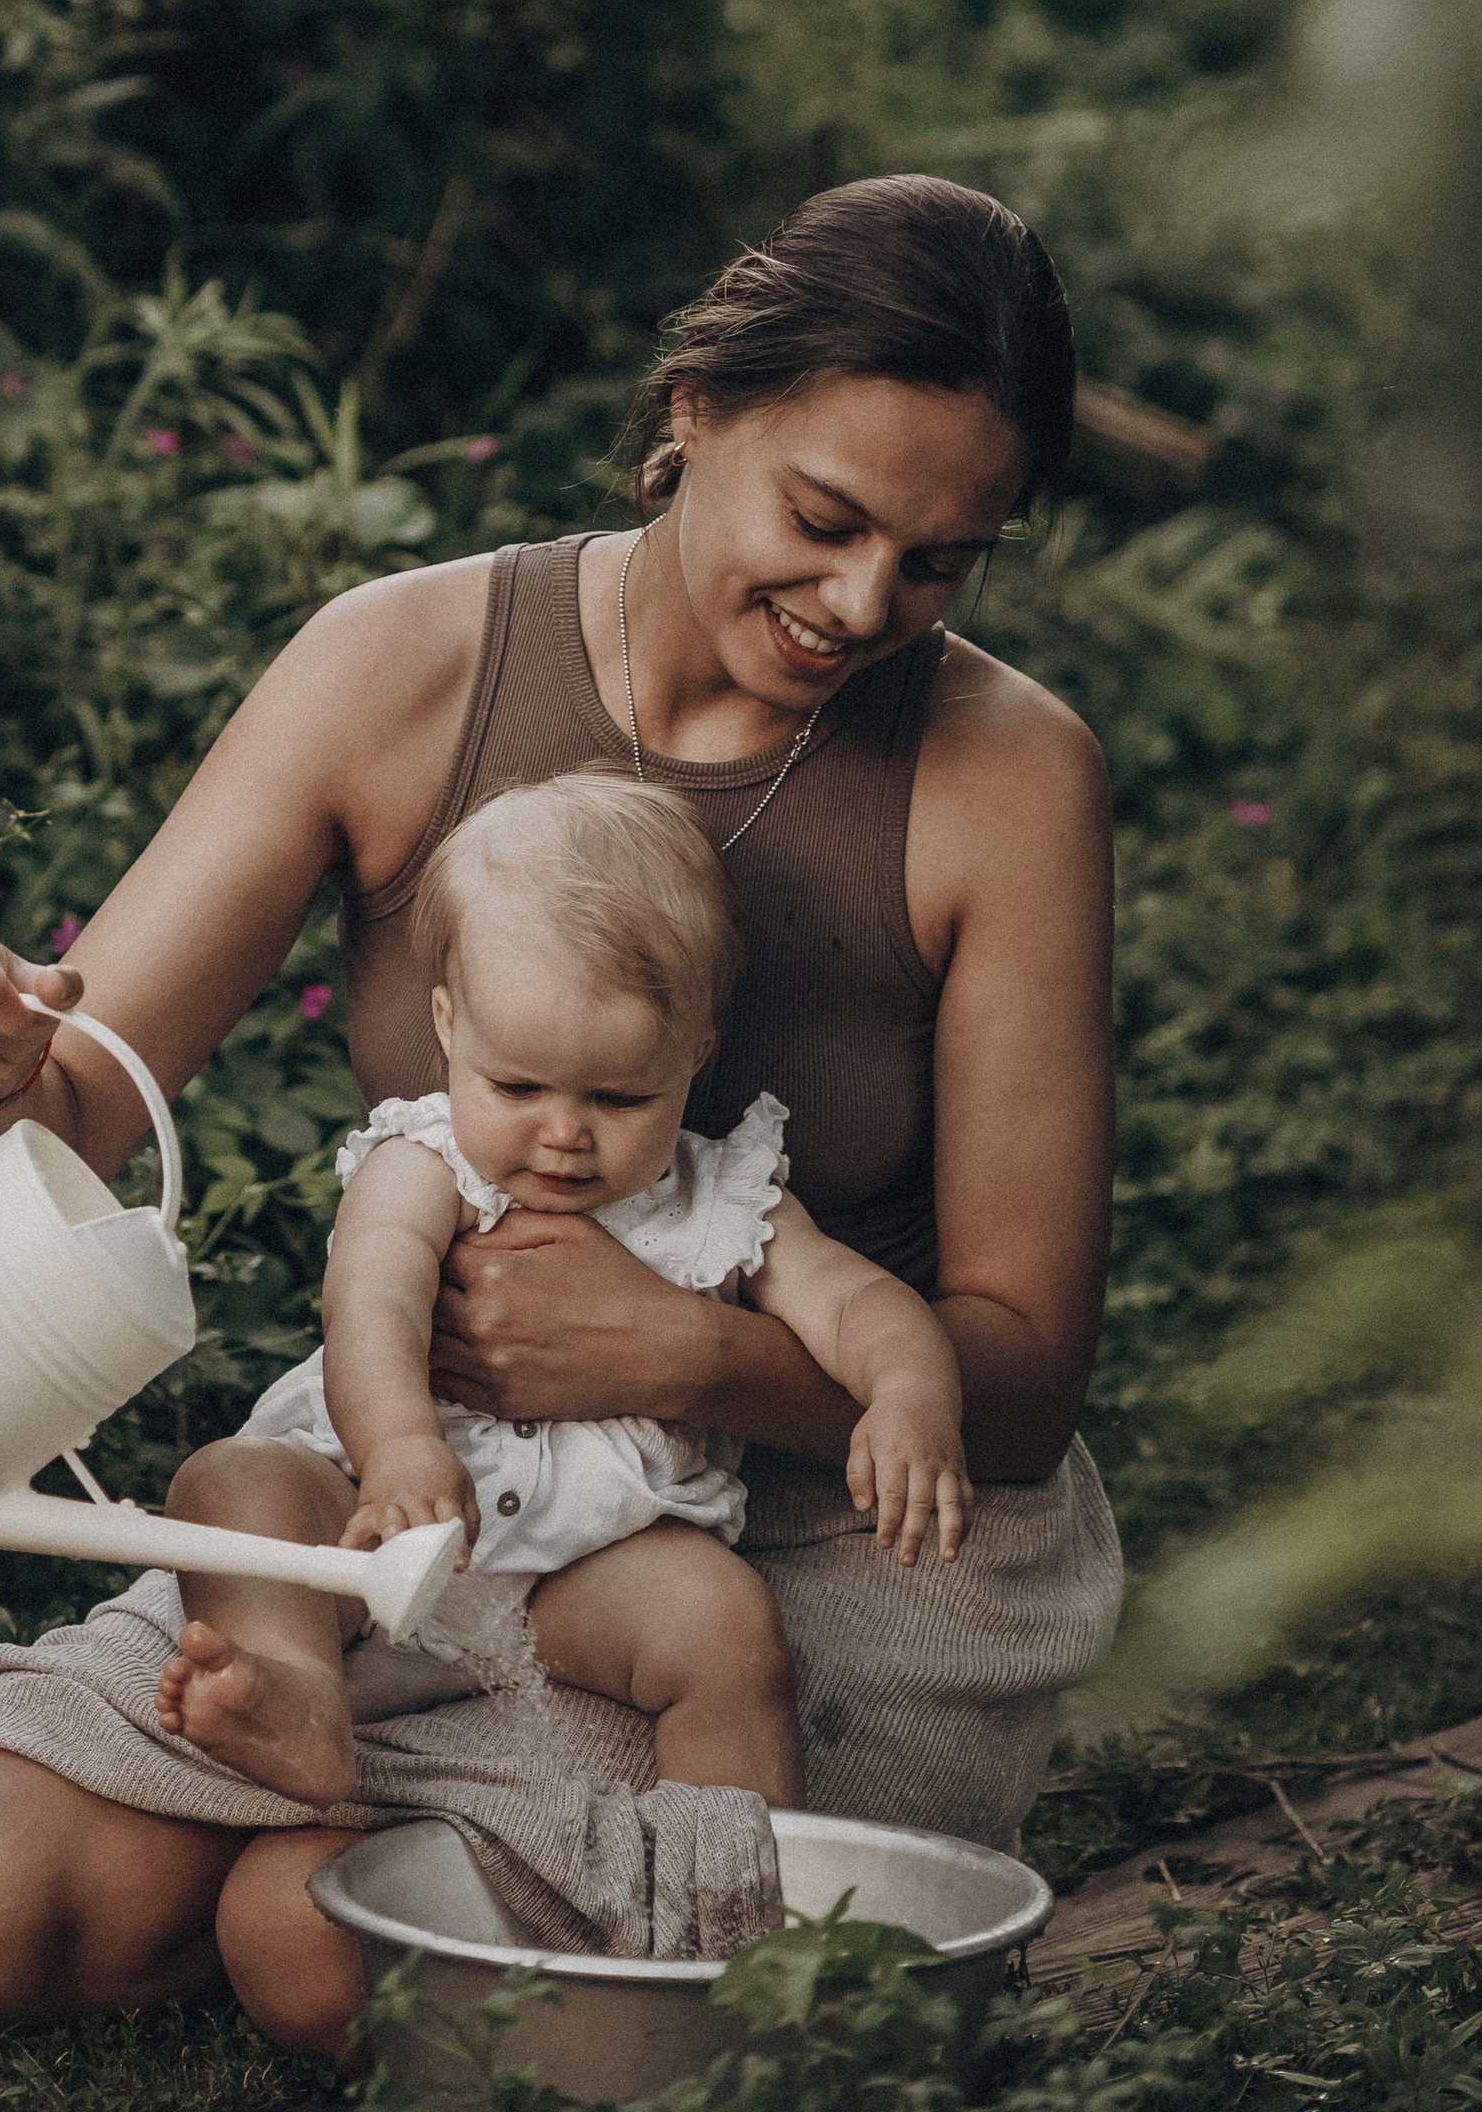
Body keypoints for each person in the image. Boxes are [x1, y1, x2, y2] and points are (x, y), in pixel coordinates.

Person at [0, 174, 1120, 2055]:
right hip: (423, 1498)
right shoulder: (403, 666)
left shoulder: (1005, 774)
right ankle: (391, 1810)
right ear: (694, 411)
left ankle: (410, 1865)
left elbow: (1016, 1386)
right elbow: (60, 1143)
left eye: (939, 564)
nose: (866, 605)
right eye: (828, 520)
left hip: (806, 1553)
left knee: (315, 1935)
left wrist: (688, 1352)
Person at [155, 768, 970, 1814]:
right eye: (518, 1086)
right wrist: (399, 1444)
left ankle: (742, 1889)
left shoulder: (719, 1192)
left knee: (724, 1627)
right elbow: (371, 1302)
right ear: (448, 1027)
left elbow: (858, 1305)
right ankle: (300, 1698)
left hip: (590, 1568)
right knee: (230, 1488)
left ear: (694, 1055)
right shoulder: (426, 1161)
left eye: (620, 1095)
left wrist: (908, 1395)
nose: (563, 1133)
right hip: (377, 1516)